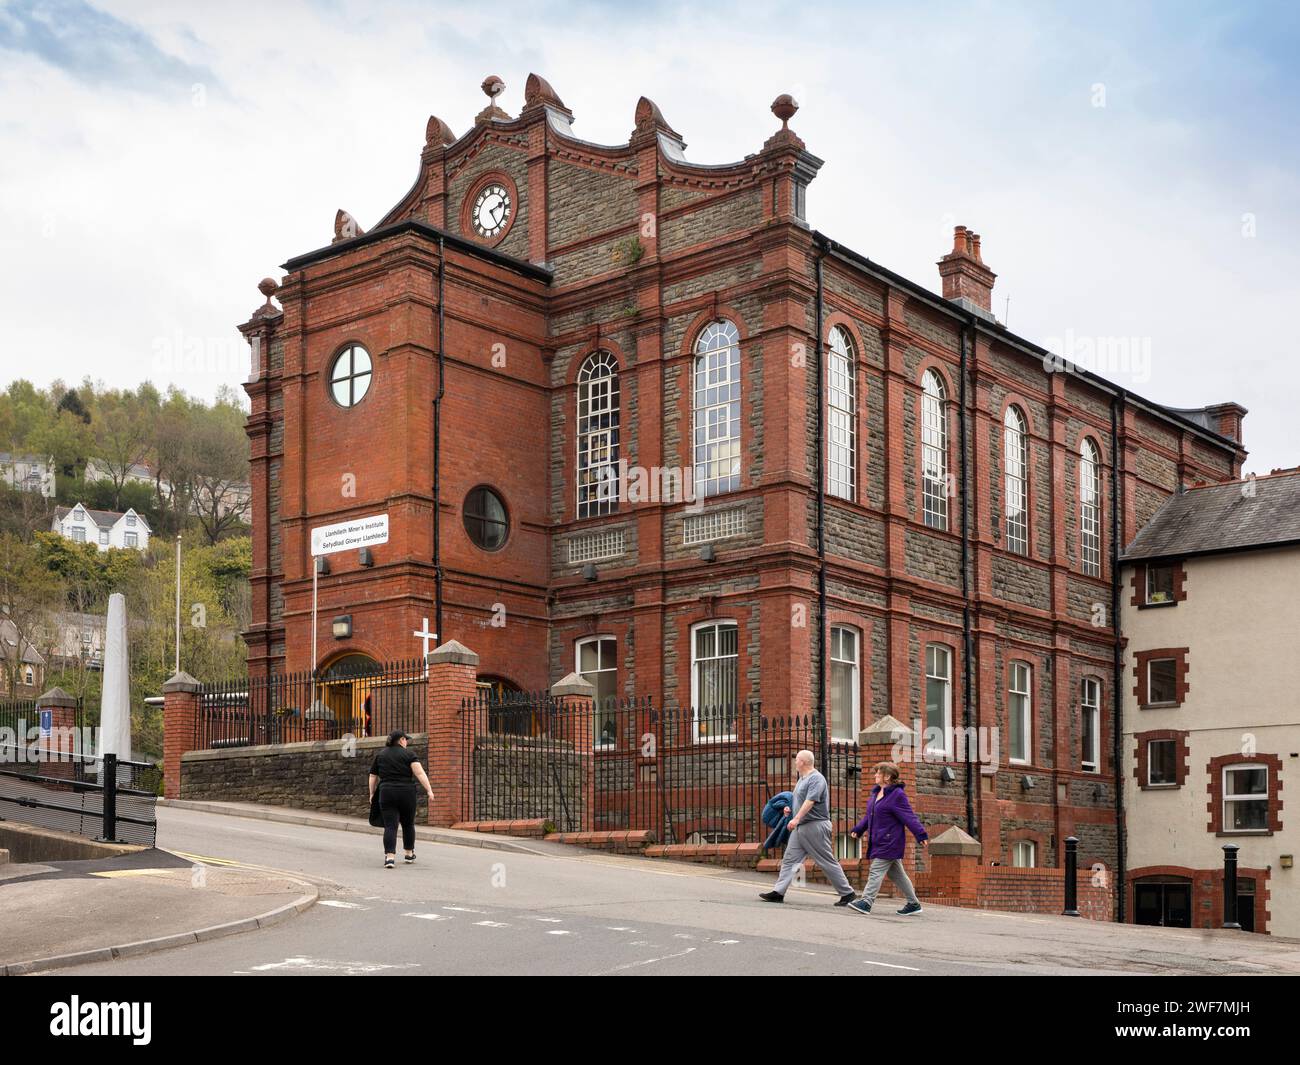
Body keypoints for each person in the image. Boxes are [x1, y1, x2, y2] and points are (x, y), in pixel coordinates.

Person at [759, 750, 857, 906]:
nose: (795, 762)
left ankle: (848, 893)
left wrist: (796, 818)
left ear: (803, 762)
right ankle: (778, 892)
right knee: (790, 859)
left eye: (797, 760)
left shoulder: (816, 779)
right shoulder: (802, 779)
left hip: (815, 826)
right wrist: (789, 809)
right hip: (802, 827)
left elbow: (810, 801)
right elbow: (798, 799)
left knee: (825, 861)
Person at [847, 762, 928, 916]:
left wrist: (920, 834)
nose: (875, 775)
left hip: (890, 841)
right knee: (897, 874)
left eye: (878, 773)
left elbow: (908, 816)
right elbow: (869, 816)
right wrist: (858, 829)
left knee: (876, 870)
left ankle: (866, 901)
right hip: (878, 839)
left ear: (888, 776)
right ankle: (913, 903)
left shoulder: (897, 795)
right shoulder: (876, 793)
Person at [367, 730, 435, 869]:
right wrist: (429, 790)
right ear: (401, 740)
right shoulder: (409, 754)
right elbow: (420, 773)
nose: (407, 742)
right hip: (406, 792)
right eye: (406, 740)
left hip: (386, 792)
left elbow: (373, 776)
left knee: (390, 825)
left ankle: (390, 858)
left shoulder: (381, 755)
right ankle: (409, 854)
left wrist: (372, 793)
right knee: (408, 824)